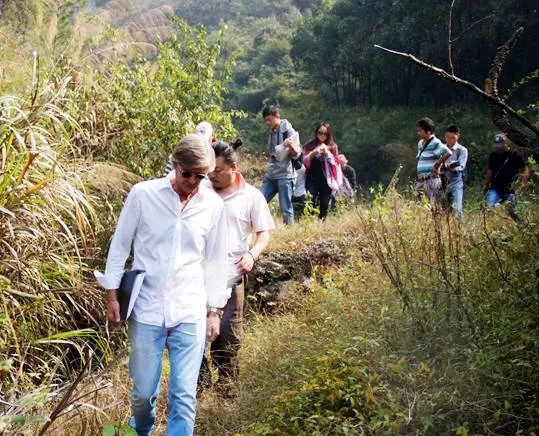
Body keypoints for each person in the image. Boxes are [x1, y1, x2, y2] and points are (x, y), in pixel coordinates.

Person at [105, 134, 229, 435]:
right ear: (175, 165)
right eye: (187, 173)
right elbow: (120, 246)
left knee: (184, 396)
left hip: (189, 310)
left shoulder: (212, 205)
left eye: (201, 176)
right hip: (147, 308)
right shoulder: (143, 195)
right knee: (144, 395)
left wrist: (215, 311)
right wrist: (111, 295)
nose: (193, 181)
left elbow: (216, 261)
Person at [201, 139, 275, 396]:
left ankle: (226, 394)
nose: (212, 175)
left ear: (234, 168)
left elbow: (264, 234)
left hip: (231, 276)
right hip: (197, 276)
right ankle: (198, 389)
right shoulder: (201, 190)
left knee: (228, 337)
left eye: (218, 170)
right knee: (192, 335)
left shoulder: (251, 197)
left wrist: (252, 255)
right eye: (210, 170)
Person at [260, 105, 302, 225]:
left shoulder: (288, 131)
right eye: (266, 121)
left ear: (277, 116)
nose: (268, 123)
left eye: (269, 119)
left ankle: (289, 233)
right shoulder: (272, 131)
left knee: (286, 208)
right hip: (272, 173)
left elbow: (296, 154)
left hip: (285, 174)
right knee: (259, 199)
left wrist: (290, 146)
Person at [302, 122, 342, 219]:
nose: (322, 136)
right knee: (310, 200)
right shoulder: (309, 145)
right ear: (316, 133)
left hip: (326, 179)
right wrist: (312, 154)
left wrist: (327, 153)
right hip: (312, 178)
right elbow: (304, 160)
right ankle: (309, 222)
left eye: (325, 134)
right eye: (320, 133)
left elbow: (336, 163)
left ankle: (322, 223)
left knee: (324, 203)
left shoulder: (332, 147)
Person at [484, 133, 529, 207]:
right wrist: (487, 184)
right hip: (495, 188)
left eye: (500, 145)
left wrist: (522, 183)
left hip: (510, 189)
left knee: (513, 208)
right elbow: (490, 170)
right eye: (497, 145)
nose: (498, 148)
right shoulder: (493, 155)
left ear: (506, 143)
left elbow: (525, 169)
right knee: (489, 207)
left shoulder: (515, 154)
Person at [415, 117, 452, 205]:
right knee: (416, 200)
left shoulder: (435, 142)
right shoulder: (420, 143)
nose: (418, 133)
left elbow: (448, 152)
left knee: (432, 204)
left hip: (431, 179)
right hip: (421, 180)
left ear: (428, 131)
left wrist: (437, 164)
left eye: (420, 131)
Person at [441, 124, 468, 220]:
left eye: (453, 137)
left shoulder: (462, 150)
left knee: (457, 210)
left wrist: (451, 167)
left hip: (456, 183)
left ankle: (460, 231)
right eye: (447, 137)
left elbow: (461, 166)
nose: (450, 140)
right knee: (442, 211)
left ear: (458, 136)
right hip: (442, 184)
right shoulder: (442, 149)